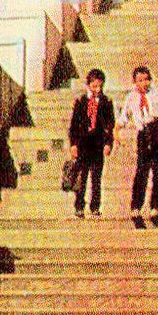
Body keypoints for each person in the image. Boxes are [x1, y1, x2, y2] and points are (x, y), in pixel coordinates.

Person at [118, 64, 158, 222]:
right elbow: (124, 117)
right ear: (135, 82)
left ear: (150, 80)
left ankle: (154, 208)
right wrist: (116, 131)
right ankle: (136, 207)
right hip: (143, 134)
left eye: (146, 80)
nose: (143, 83)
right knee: (142, 172)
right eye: (139, 80)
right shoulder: (131, 97)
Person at [68, 68, 113, 218]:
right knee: (82, 177)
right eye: (94, 86)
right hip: (83, 144)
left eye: (100, 86)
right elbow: (74, 125)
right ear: (88, 85)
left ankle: (95, 206)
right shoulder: (81, 101)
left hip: (97, 144)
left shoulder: (106, 102)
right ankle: (79, 205)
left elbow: (109, 125)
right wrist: (73, 144)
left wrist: (108, 143)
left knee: (96, 178)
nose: (97, 90)